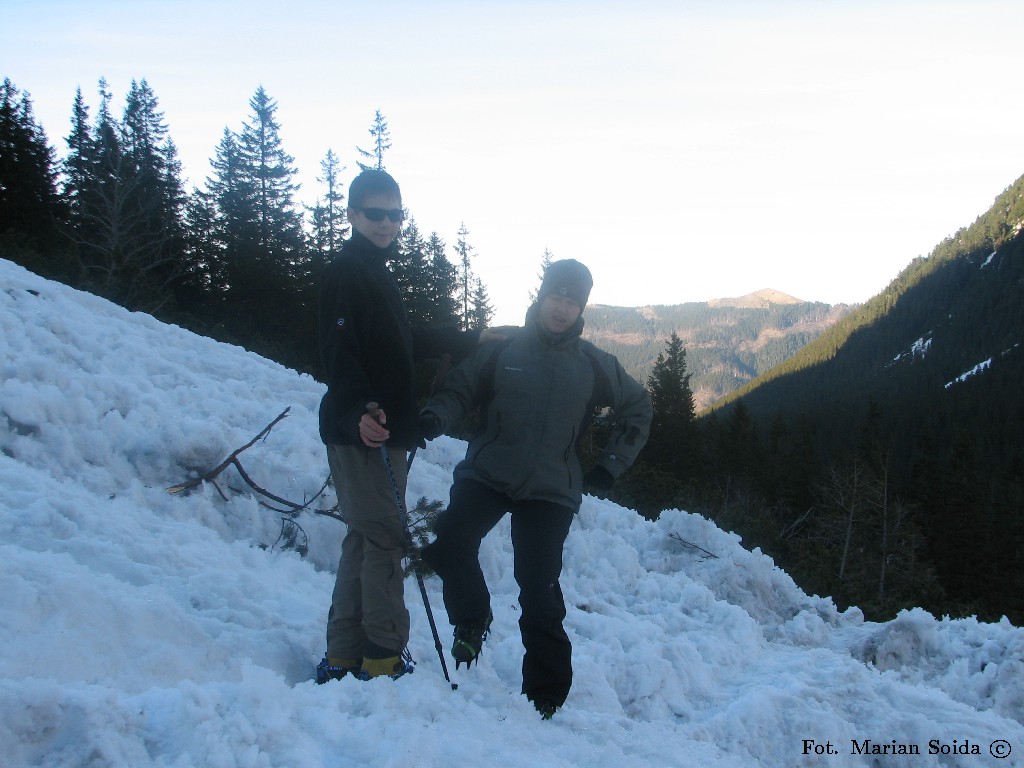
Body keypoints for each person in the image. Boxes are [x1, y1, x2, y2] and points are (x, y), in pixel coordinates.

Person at [417, 259, 652, 718]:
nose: (561, 309)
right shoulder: (502, 346)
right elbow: (459, 391)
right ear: (541, 297)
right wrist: (433, 417)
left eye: (571, 301)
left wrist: (609, 467)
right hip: (489, 471)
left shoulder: (593, 365)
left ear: (580, 308)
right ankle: (472, 616)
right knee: (450, 541)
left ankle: (544, 695)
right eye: (556, 297)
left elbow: (639, 407)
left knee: (538, 587)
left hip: (550, 488)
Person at [315, 168, 501, 683]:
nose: (387, 223)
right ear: (353, 215)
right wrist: (360, 411)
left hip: (379, 427)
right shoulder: (348, 271)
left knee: (365, 536)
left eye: (395, 214)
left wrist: (465, 338)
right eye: (375, 213)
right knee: (383, 538)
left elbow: (398, 343)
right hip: (366, 429)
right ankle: (383, 655)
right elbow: (339, 352)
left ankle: (344, 652)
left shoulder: (374, 270)